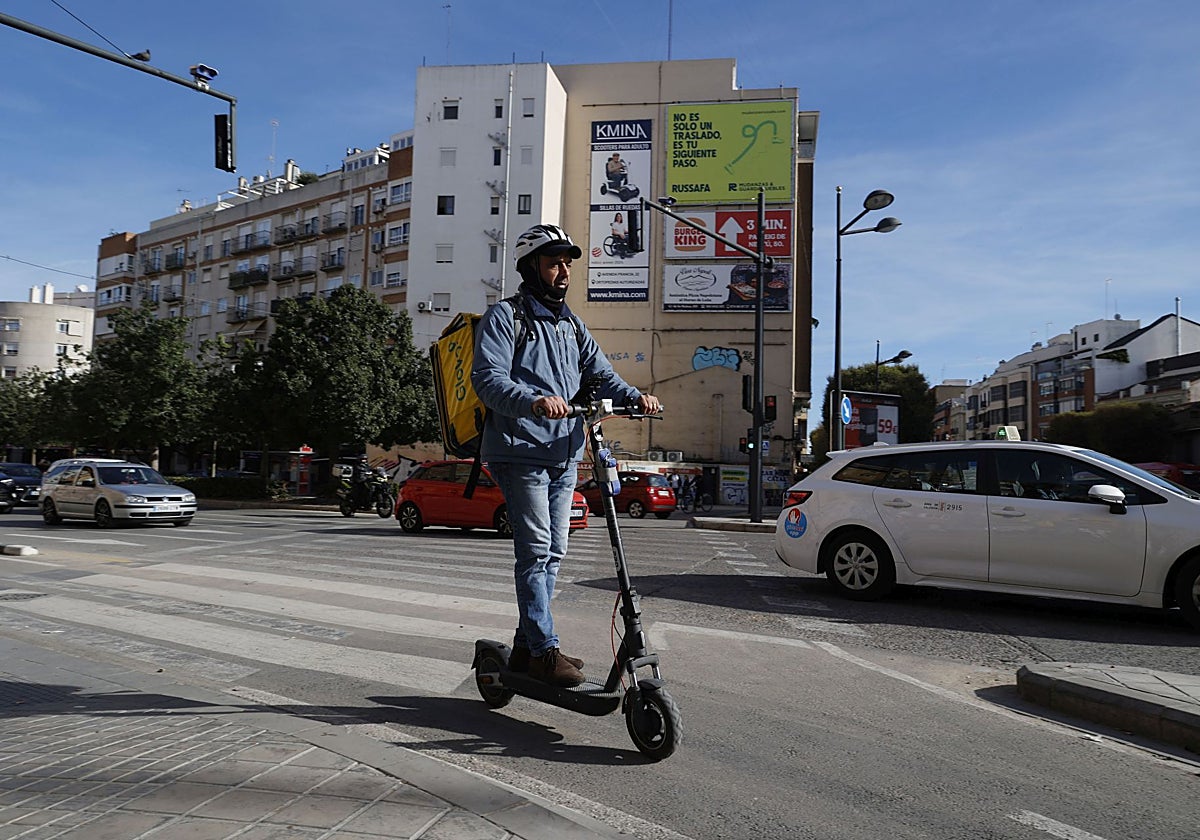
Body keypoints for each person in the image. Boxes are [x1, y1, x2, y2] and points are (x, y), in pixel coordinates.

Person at [472, 223, 661, 687]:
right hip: (520, 452)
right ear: (530, 267)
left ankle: (527, 646)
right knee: (536, 553)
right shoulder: (506, 318)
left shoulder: (571, 325)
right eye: (554, 262)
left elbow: (602, 375)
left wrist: (637, 397)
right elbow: (488, 380)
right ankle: (543, 650)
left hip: (564, 452)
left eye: (568, 263)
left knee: (554, 553)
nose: (564, 271)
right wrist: (534, 400)